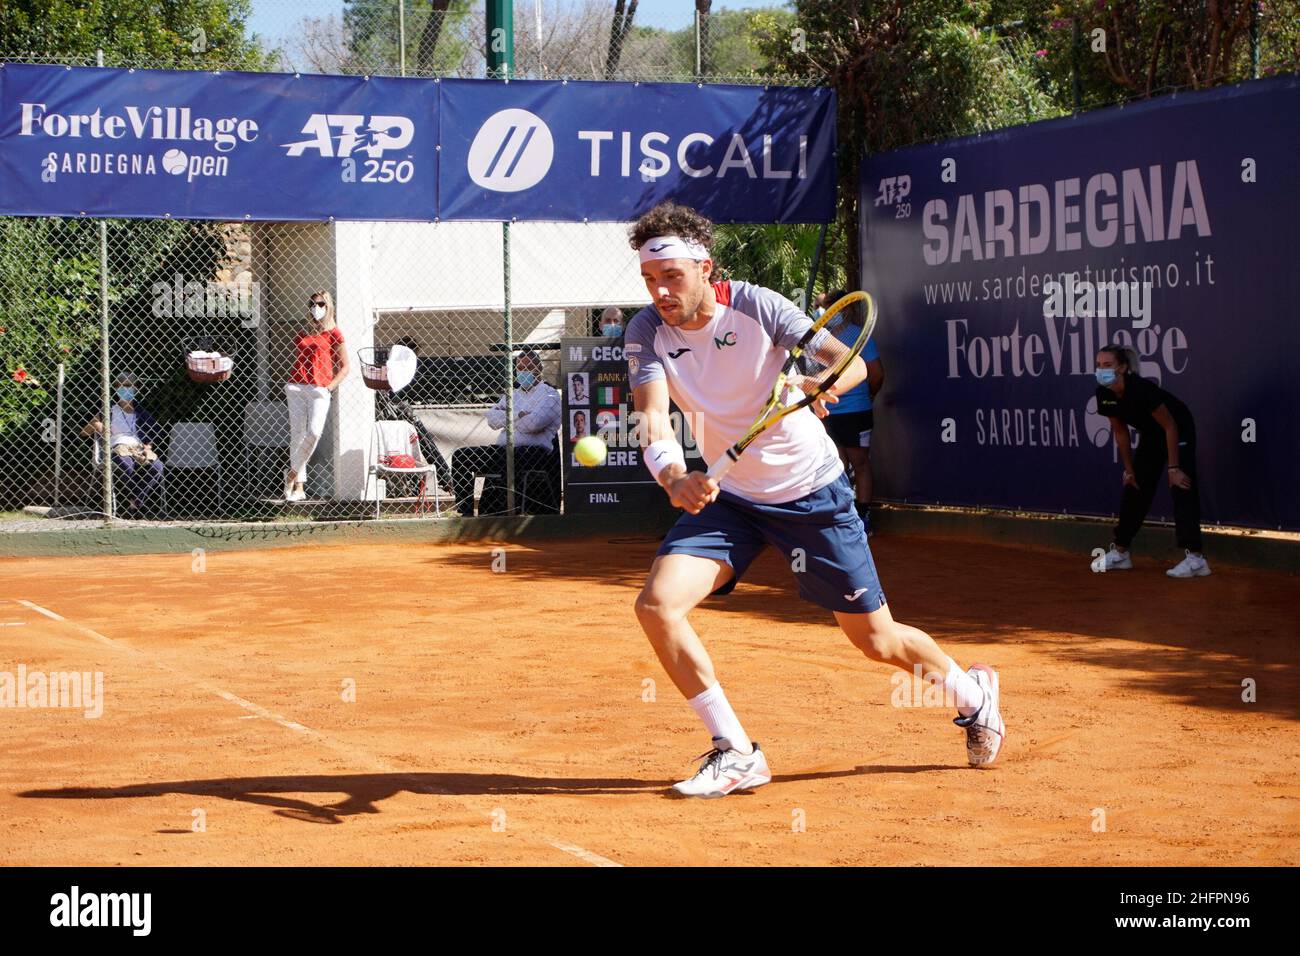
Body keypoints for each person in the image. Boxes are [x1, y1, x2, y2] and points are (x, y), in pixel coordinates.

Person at [625, 201, 1005, 798]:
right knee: (657, 605)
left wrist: (816, 384)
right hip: (734, 501)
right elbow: (652, 418)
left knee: (877, 642)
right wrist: (674, 475)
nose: (660, 291)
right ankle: (736, 751)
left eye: (671, 276)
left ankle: (974, 695)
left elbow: (844, 362)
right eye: (650, 279)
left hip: (811, 493)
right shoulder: (647, 329)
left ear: (705, 266)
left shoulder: (757, 305)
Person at [1092, 344, 1210, 578]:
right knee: (1135, 486)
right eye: (1098, 365)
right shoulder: (1103, 393)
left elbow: (1170, 425)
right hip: (1152, 434)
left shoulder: (1142, 389)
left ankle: (1196, 560)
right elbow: (1120, 432)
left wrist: (1174, 468)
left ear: (1123, 368)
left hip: (1178, 428)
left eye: (1108, 365)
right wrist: (1128, 469)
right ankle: (1121, 554)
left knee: (1181, 485)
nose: (1101, 370)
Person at [451, 350, 562, 515]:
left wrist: (508, 417)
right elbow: (492, 420)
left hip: (533, 453)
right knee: (461, 456)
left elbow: (534, 424)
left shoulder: (550, 394)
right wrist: (519, 414)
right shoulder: (512, 394)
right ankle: (466, 511)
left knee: (508, 457)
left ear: (539, 369)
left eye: (528, 367)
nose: (523, 372)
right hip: (503, 450)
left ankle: (500, 509)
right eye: (520, 368)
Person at [820, 288, 884, 532]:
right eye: (828, 308)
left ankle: (864, 517)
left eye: (835, 308)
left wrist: (869, 395)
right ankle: (844, 518)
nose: (830, 313)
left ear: (845, 309)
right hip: (827, 413)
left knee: (860, 463)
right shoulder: (819, 338)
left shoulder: (859, 336)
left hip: (856, 413)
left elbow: (876, 373)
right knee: (836, 465)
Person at [284, 291, 349, 502]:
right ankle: (299, 488)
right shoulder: (304, 332)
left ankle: (292, 473)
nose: (316, 307)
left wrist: (330, 387)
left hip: (319, 389)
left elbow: (345, 367)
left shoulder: (334, 333)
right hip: (296, 386)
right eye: (312, 303)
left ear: (328, 306)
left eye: (320, 304)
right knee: (298, 436)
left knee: (313, 433)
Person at [82, 372, 164, 516]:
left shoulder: (141, 413)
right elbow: (84, 432)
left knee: (157, 467)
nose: (127, 389)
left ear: (136, 389)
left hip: (138, 448)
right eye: (123, 386)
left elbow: (154, 434)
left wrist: (148, 447)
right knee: (127, 466)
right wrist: (96, 424)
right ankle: (138, 506)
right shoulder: (110, 410)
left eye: (130, 386)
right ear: (116, 387)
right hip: (118, 447)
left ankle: (135, 503)